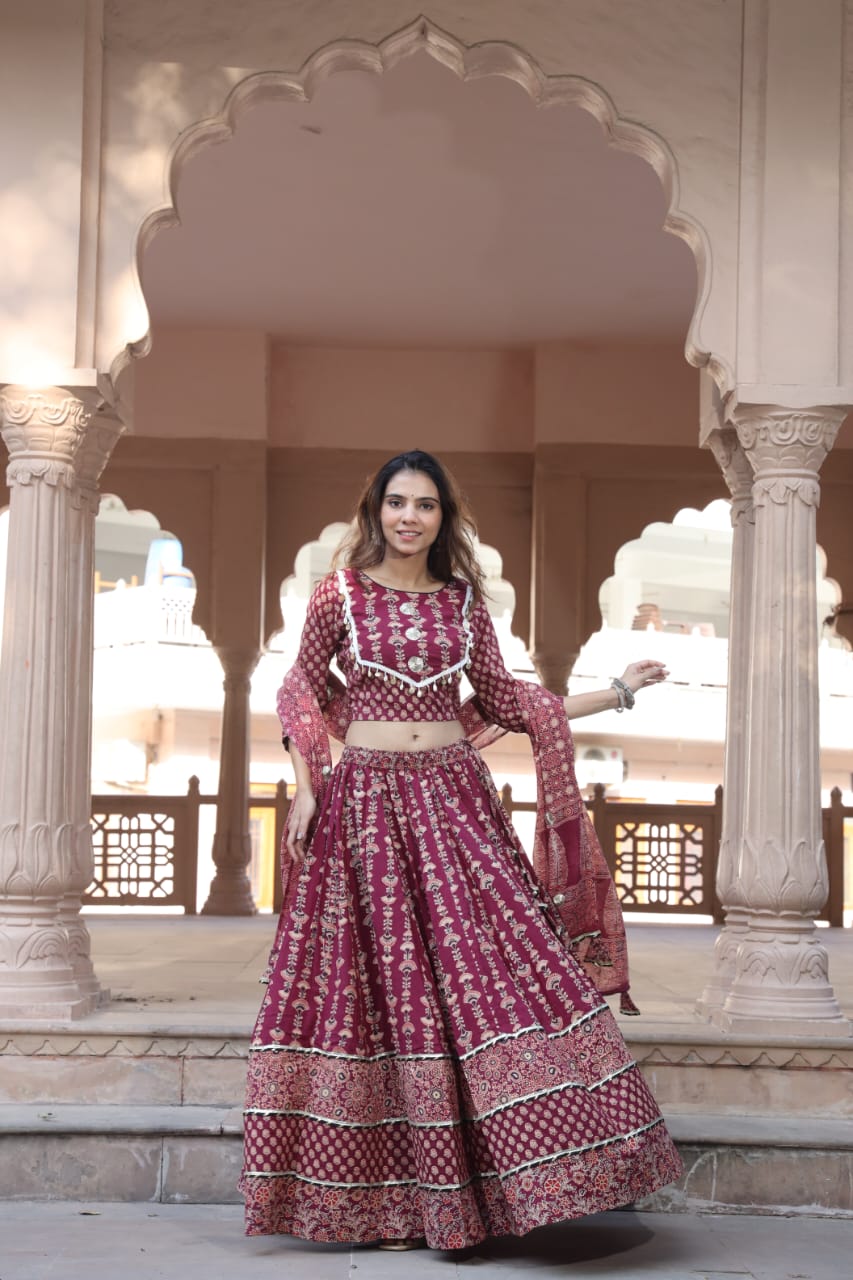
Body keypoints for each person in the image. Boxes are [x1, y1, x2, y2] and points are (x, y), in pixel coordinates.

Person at [240, 449, 682, 1251]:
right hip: (367, 806)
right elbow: (299, 687)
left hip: (451, 804)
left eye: (426, 506)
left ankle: (514, 1182)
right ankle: (392, 1202)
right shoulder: (338, 594)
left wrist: (615, 690)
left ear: (444, 519)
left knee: (493, 975)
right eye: (398, 503)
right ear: (375, 511)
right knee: (377, 997)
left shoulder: (462, 605)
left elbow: (509, 700)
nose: (410, 517)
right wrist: (309, 781)